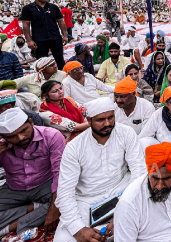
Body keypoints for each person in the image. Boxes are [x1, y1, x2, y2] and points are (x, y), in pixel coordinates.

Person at [54, 97, 145, 242]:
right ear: (89, 121)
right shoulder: (74, 147)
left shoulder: (126, 133)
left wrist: (125, 210)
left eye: (111, 117)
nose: (108, 123)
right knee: (63, 239)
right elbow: (65, 192)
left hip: (121, 190)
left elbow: (138, 170)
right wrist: (78, 229)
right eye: (101, 120)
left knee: (149, 224)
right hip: (87, 199)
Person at [0, 108, 64, 241]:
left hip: (45, 185)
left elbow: (60, 174)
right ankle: (32, 208)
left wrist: (54, 209)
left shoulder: (51, 136)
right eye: (11, 136)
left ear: (31, 122)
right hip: (14, 189)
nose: (20, 138)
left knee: (68, 199)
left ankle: (11, 226)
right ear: (2, 136)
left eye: (24, 130)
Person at [19, 0, 67, 69]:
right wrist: (29, 40)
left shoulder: (53, 7)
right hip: (39, 39)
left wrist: (65, 35)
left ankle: (62, 77)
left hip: (55, 37)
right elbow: (26, 25)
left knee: (60, 60)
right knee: (41, 61)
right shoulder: (28, 8)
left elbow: (61, 22)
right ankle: (44, 80)